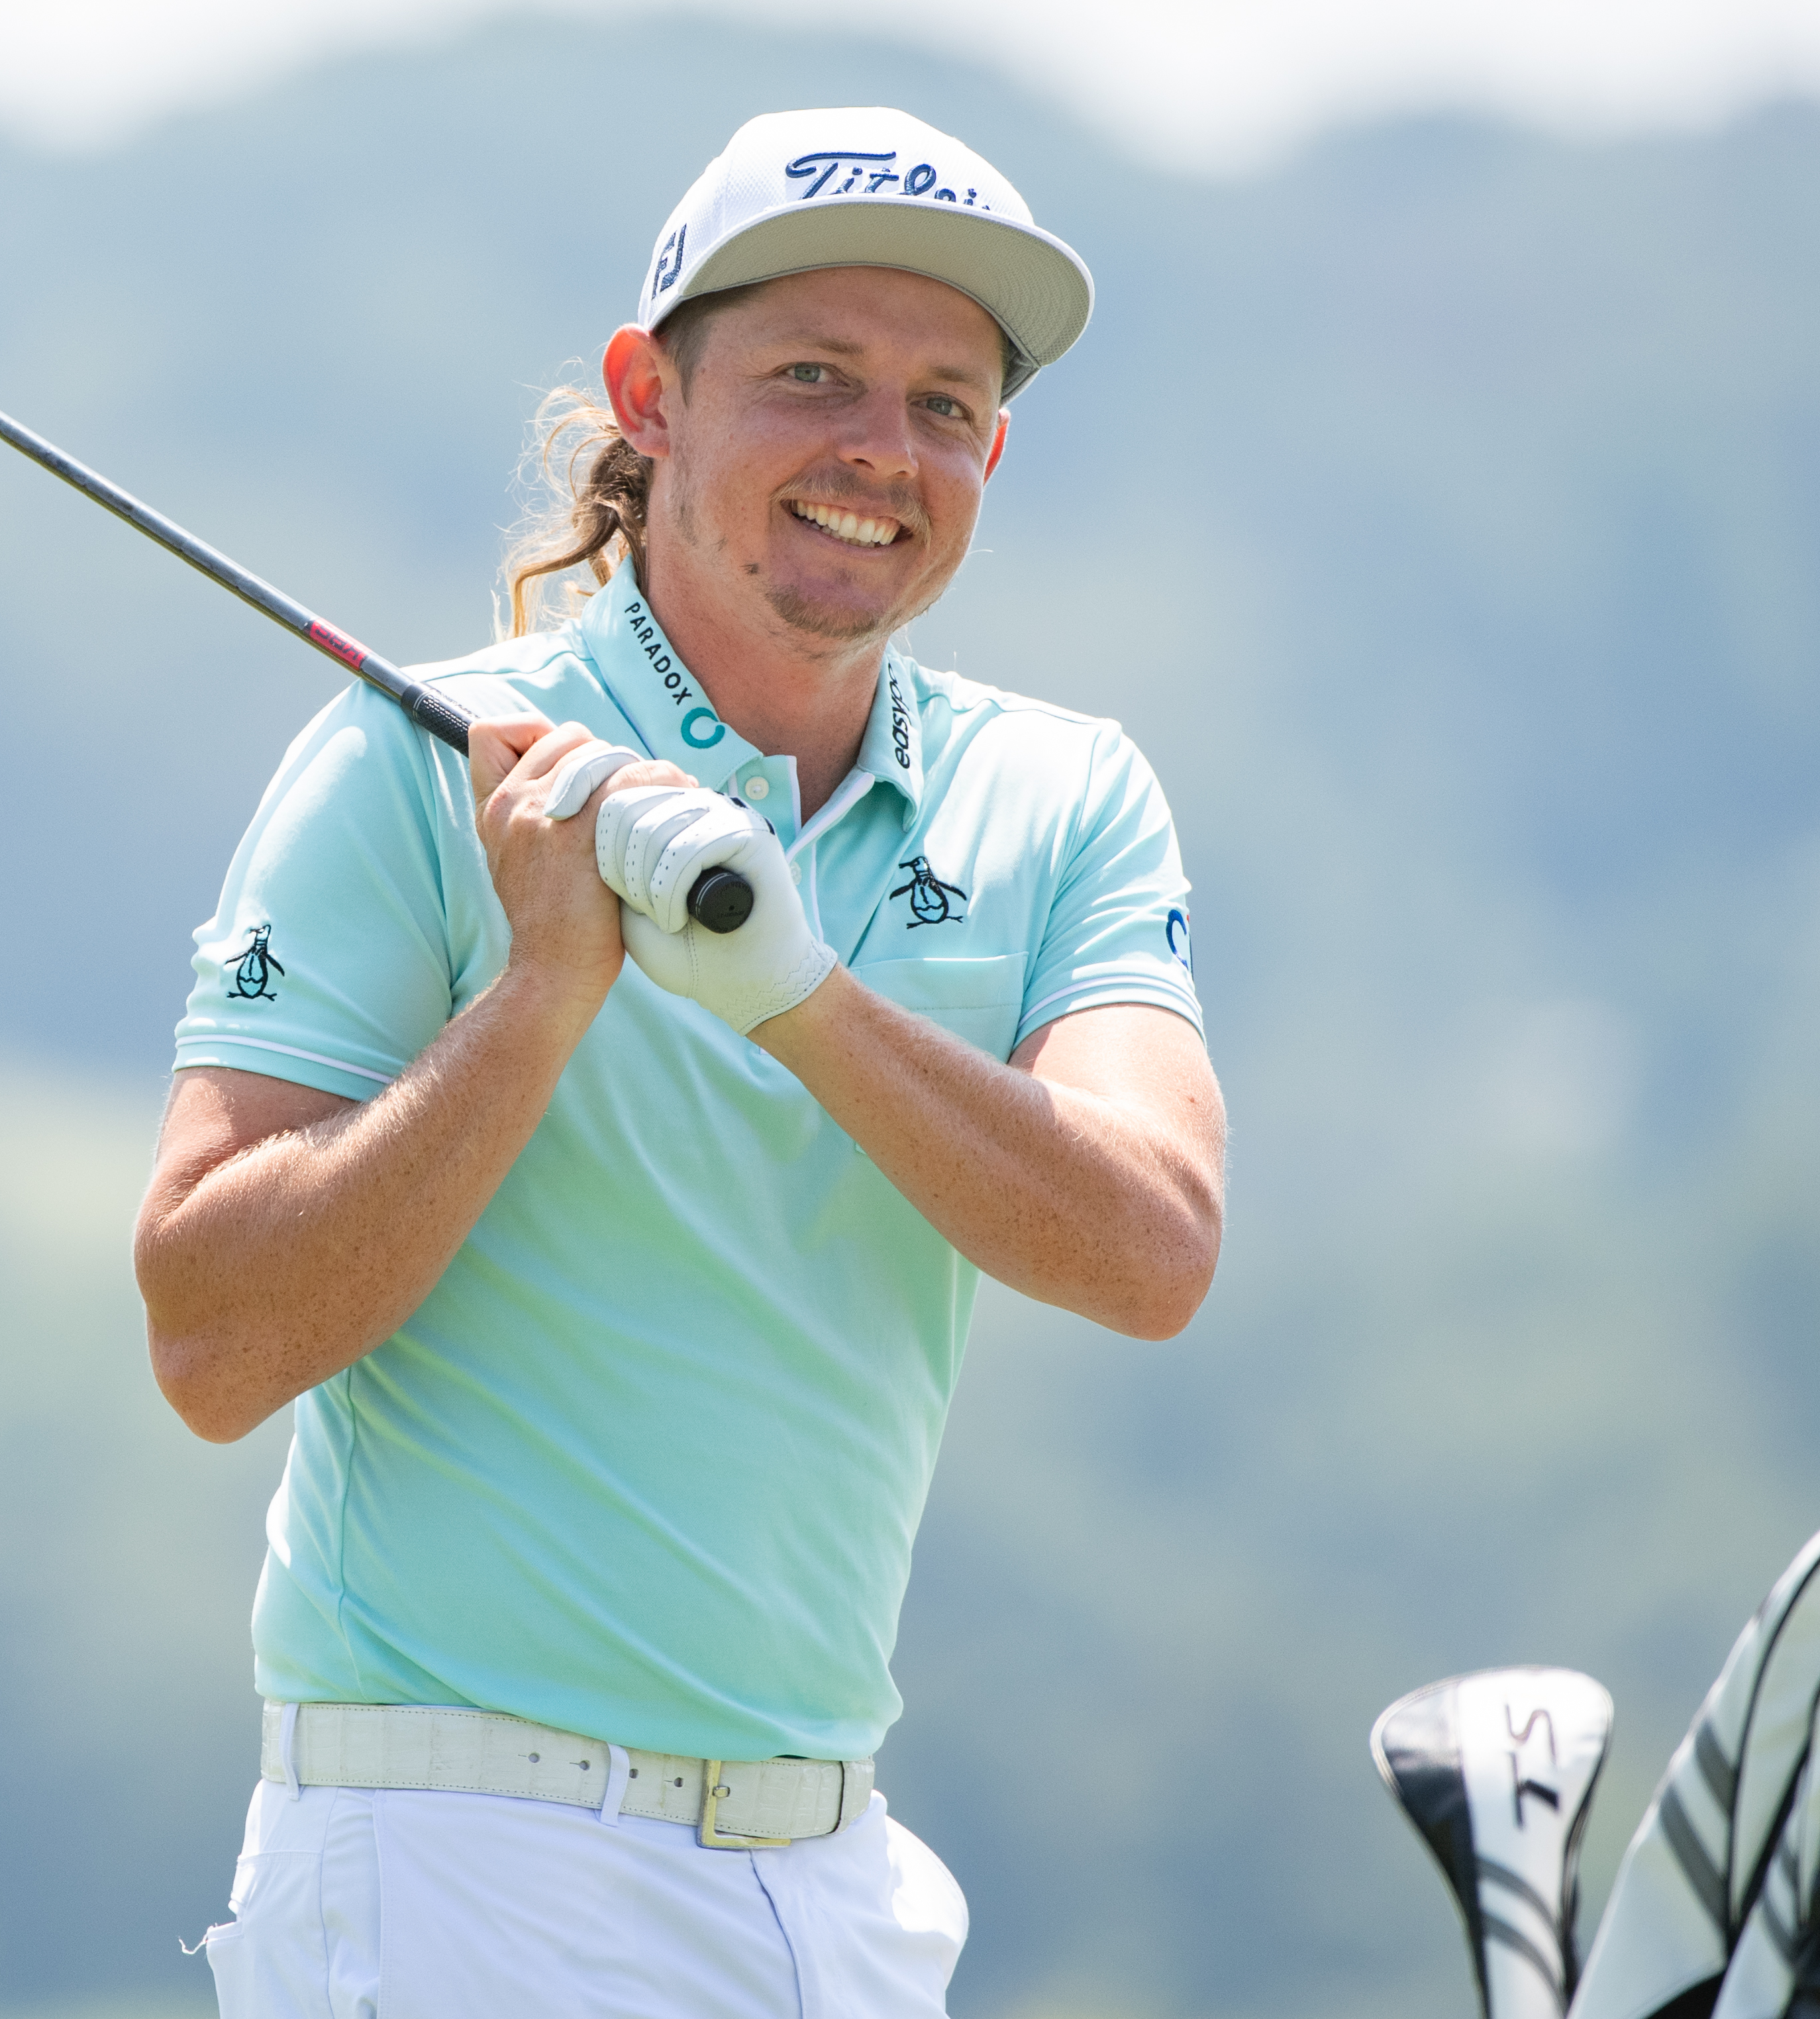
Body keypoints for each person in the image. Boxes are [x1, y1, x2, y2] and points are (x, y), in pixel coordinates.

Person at [134, 105, 1226, 2018]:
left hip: (841, 1880)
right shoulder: (426, 762)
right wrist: (542, 993)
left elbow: (1151, 1251)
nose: (882, 451)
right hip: (462, 1853)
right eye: (814, 378)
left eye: (946, 404)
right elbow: (209, 1333)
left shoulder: (1065, 794)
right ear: (650, 398)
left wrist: (790, 989)